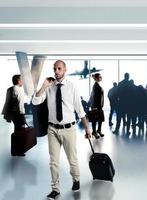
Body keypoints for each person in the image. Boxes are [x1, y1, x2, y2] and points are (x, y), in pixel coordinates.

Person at [32, 60, 91, 200]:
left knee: (72, 159)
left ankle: (76, 179)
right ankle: (55, 189)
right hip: (52, 128)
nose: (56, 71)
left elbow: (80, 110)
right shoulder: (49, 87)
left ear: (65, 70)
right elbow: (35, 101)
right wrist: (44, 86)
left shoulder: (72, 87)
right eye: (54, 69)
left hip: (68, 129)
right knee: (53, 161)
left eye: (59, 68)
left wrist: (88, 128)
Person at [89, 73, 105, 138]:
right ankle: (94, 132)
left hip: (99, 105)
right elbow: (94, 97)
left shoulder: (98, 85)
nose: (101, 78)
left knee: (100, 118)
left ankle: (99, 130)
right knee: (95, 119)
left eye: (101, 76)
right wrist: (94, 107)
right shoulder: (95, 86)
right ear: (96, 78)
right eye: (99, 77)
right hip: (96, 105)